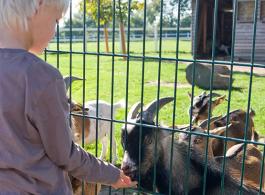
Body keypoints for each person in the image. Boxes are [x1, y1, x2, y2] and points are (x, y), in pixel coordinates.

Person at [0, 0, 136, 194]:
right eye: (56, 20)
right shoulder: (42, 77)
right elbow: (66, 155)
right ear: (38, 6)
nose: (55, 30)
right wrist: (111, 174)